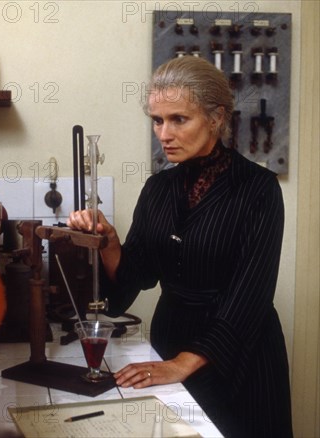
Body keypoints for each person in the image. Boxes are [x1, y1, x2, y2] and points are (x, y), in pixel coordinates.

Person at [67, 56, 293, 438]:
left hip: (241, 361)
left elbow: (249, 298)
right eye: (157, 120)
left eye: (178, 119)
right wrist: (108, 241)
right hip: (169, 344)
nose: (164, 134)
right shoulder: (158, 189)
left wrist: (181, 364)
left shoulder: (259, 189)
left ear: (216, 118)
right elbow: (130, 282)